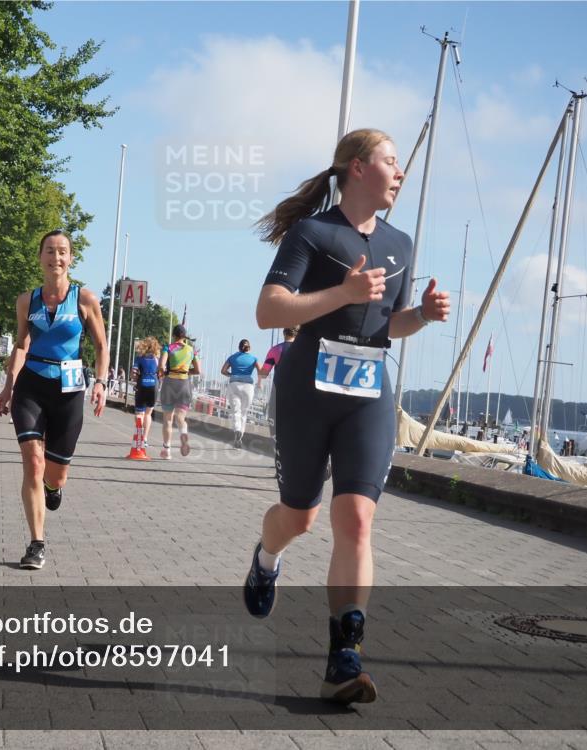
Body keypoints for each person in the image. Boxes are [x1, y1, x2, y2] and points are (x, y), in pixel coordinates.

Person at [241, 128, 450, 705]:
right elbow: (269, 311)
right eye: (391, 161)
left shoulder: (400, 244)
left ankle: (345, 655)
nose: (400, 172)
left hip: (368, 394)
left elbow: (388, 325)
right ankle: (266, 557)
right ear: (357, 168)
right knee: (300, 517)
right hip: (307, 386)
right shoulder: (313, 232)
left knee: (356, 520)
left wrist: (422, 316)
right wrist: (344, 292)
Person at [0, 231, 109, 570]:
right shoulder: (26, 300)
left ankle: (53, 489)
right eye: (49, 251)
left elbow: (101, 346)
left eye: (62, 252)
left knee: (55, 476)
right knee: (32, 462)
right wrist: (8, 385)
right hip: (31, 386)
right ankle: (36, 543)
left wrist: (100, 382)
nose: (55, 258)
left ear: (70, 259)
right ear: (40, 256)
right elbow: (20, 345)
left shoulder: (85, 299)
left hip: (70, 390)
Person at [157, 324, 200, 459]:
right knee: (180, 418)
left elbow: (161, 366)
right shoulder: (192, 350)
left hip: (170, 383)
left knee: (167, 419)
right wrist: (187, 371)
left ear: (174, 335)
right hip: (184, 384)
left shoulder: (168, 348)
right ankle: (183, 433)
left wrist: (164, 372)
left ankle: (167, 450)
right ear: (184, 336)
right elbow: (198, 371)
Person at [221, 340, 262, 448]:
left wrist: (232, 375)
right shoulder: (254, 359)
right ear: (250, 348)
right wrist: (259, 383)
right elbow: (261, 371)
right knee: (244, 413)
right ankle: (240, 436)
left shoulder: (232, 357)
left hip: (234, 385)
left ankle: (237, 430)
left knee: (236, 411)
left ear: (239, 348)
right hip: (248, 387)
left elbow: (223, 370)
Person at [131, 336, 162, 449]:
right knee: (148, 414)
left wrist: (136, 381)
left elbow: (133, 374)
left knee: (139, 413)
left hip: (142, 385)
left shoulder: (139, 358)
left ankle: (138, 437)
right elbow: (161, 373)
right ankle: (144, 439)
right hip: (153, 386)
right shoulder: (157, 359)